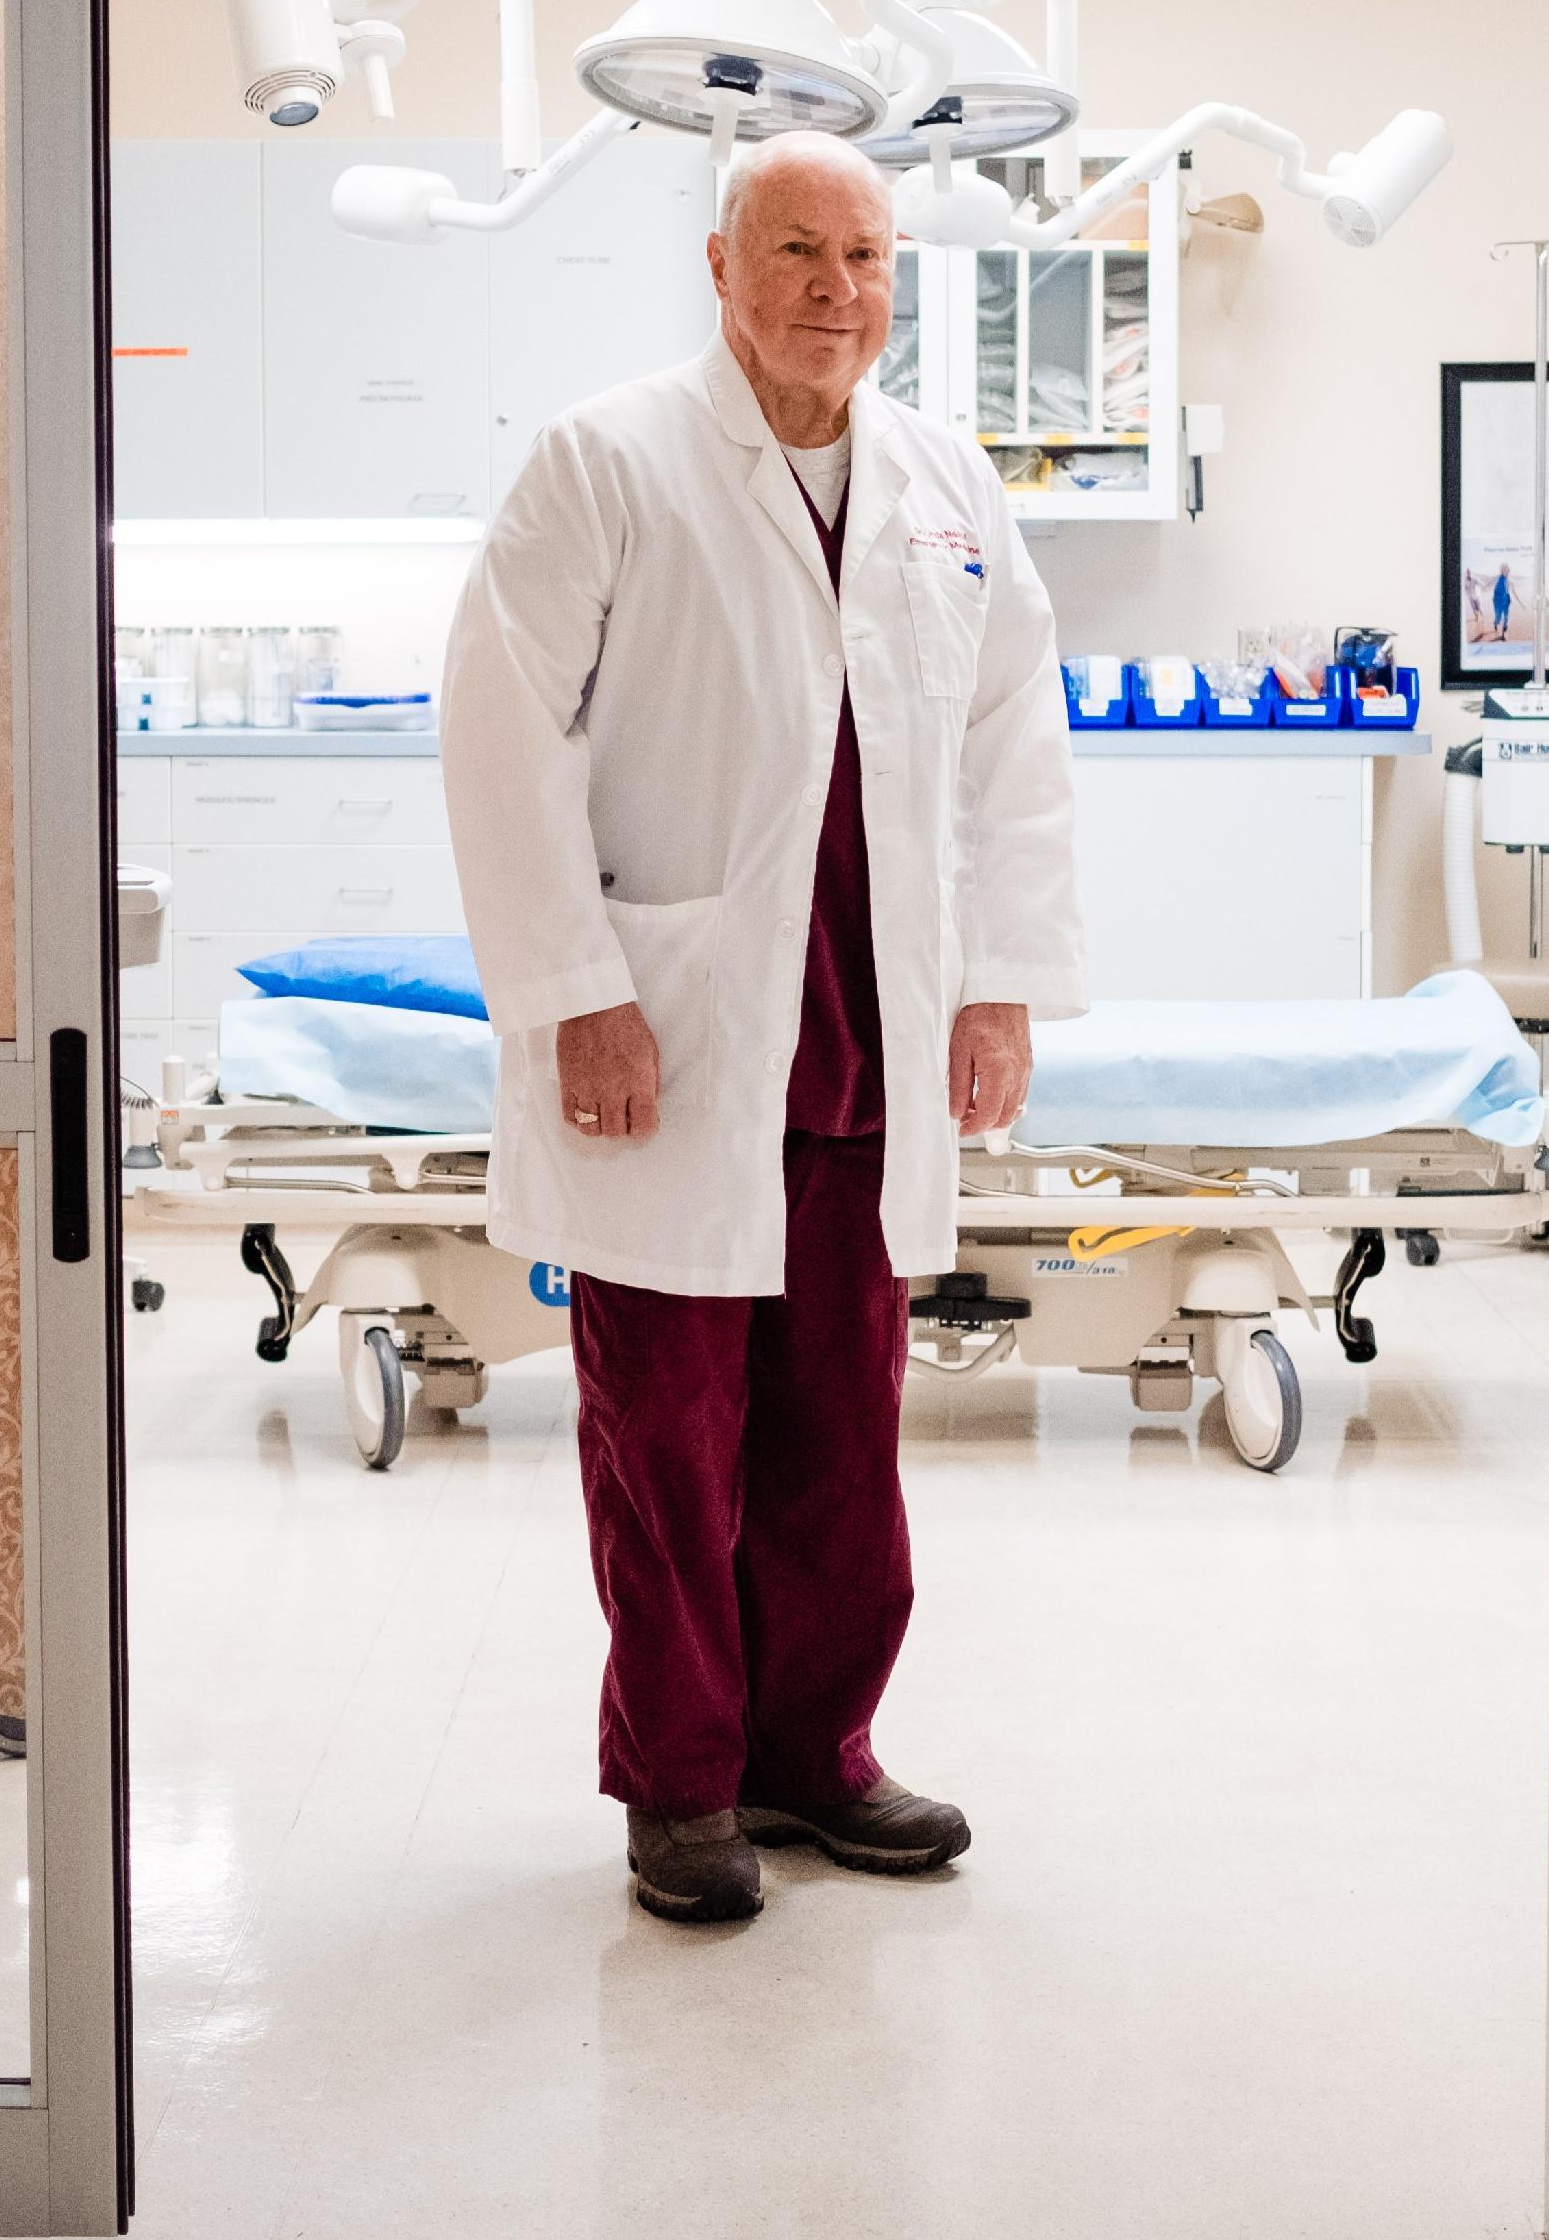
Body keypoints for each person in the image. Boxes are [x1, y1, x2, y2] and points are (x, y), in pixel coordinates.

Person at [440, 128, 1085, 1927]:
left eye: (867, 259)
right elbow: (501, 738)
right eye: (797, 250)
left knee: (837, 1433)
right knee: (668, 1438)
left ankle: (819, 1752)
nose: (836, 290)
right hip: (674, 1035)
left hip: (865, 1050)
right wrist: (574, 992)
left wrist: (999, 977)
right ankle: (680, 1781)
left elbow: (1011, 745)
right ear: (720, 268)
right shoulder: (608, 462)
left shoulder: (947, 482)